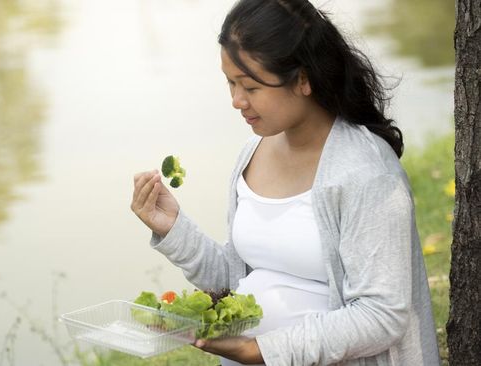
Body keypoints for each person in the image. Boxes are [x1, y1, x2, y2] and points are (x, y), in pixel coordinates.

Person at [130, 0, 440, 365]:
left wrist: (263, 350)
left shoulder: (364, 172)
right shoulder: (252, 152)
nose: (236, 100)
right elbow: (238, 280)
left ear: (303, 79)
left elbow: (382, 315)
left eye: (251, 86)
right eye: (230, 83)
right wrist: (173, 230)